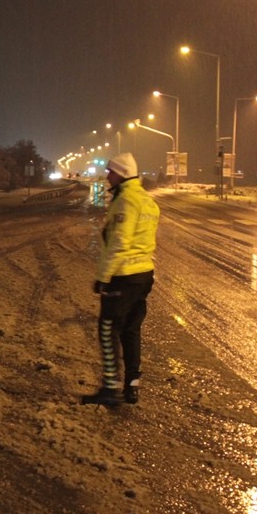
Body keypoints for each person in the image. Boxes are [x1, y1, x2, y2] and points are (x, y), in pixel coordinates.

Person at [81, 152, 159, 407]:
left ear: (122, 174)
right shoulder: (147, 200)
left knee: (107, 330)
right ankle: (131, 387)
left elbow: (119, 243)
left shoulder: (126, 201)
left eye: (111, 171)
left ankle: (110, 388)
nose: (107, 176)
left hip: (123, 276)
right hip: (144, 275)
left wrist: (103, 277)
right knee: (131, 330)